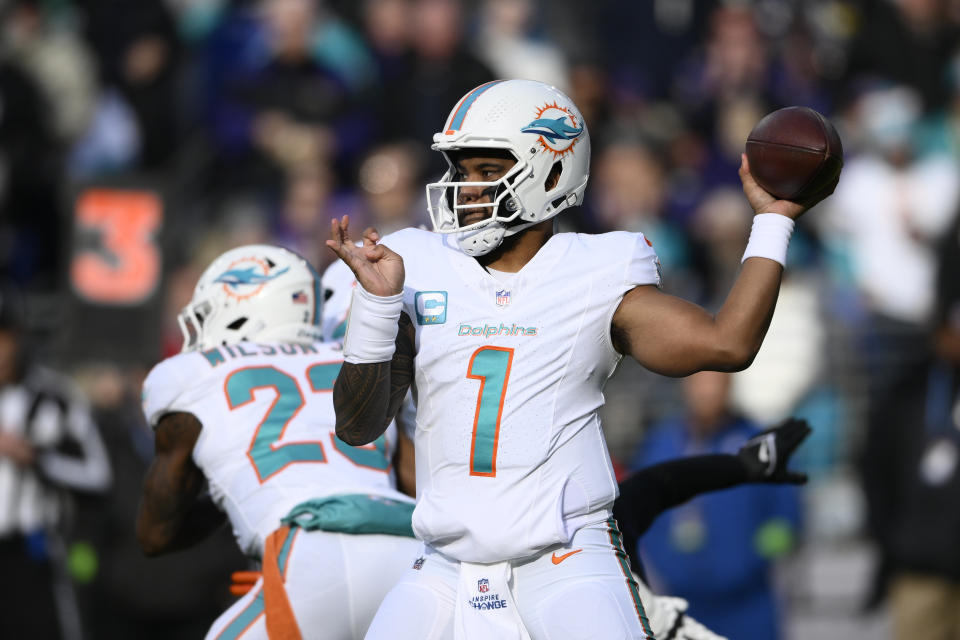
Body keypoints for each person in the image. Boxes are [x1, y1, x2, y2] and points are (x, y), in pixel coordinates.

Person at [326, 79, 836, 639]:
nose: (466, 188)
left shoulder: (596, 270)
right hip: (445, 563)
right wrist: (376, 308)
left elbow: (727, 344)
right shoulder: (415, 261)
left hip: (567, 561)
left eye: (485, 170)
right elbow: (357, 426)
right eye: (460, 170)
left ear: (550, 172)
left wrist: (773, 220)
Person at [136, 244, 421, 639]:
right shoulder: (350, 358)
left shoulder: (190, 374)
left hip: (309, 547)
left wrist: (234, 496)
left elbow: (156, 534)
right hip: (409, 545)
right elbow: (410, 476)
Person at [631, 372, 802, 640]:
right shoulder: (660, 445)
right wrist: (665, 564)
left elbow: (786, 516)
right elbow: (639, 515)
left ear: (730, 385)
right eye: (700, 381)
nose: (707, 391)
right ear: (685, 385)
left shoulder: (758, 444)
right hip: (682, 602)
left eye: (716, 381)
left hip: (749, 604)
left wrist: (752, 558)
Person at [0, 283, 111, 640]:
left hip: (31, 555)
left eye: (4, 338)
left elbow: (97, 475)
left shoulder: (56, 398)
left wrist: (37, 458)